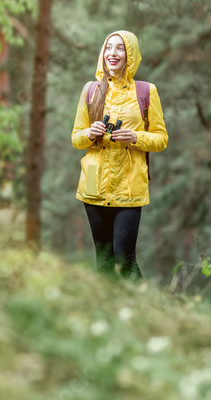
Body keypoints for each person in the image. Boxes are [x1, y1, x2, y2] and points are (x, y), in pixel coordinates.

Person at [71, 31, 168, 278]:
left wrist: (137, 137)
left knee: (125, 260)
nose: (112, 53)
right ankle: (108, 314)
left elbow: (161, 139)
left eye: (120, 48)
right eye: (108, 48)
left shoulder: (146, 91)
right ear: (102, 53)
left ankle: (145, 313)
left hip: (129, 185)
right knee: (103, 261)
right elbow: (76, 138)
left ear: (131, 55)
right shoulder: (90, 90)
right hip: (93, 183)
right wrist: (90, 133)